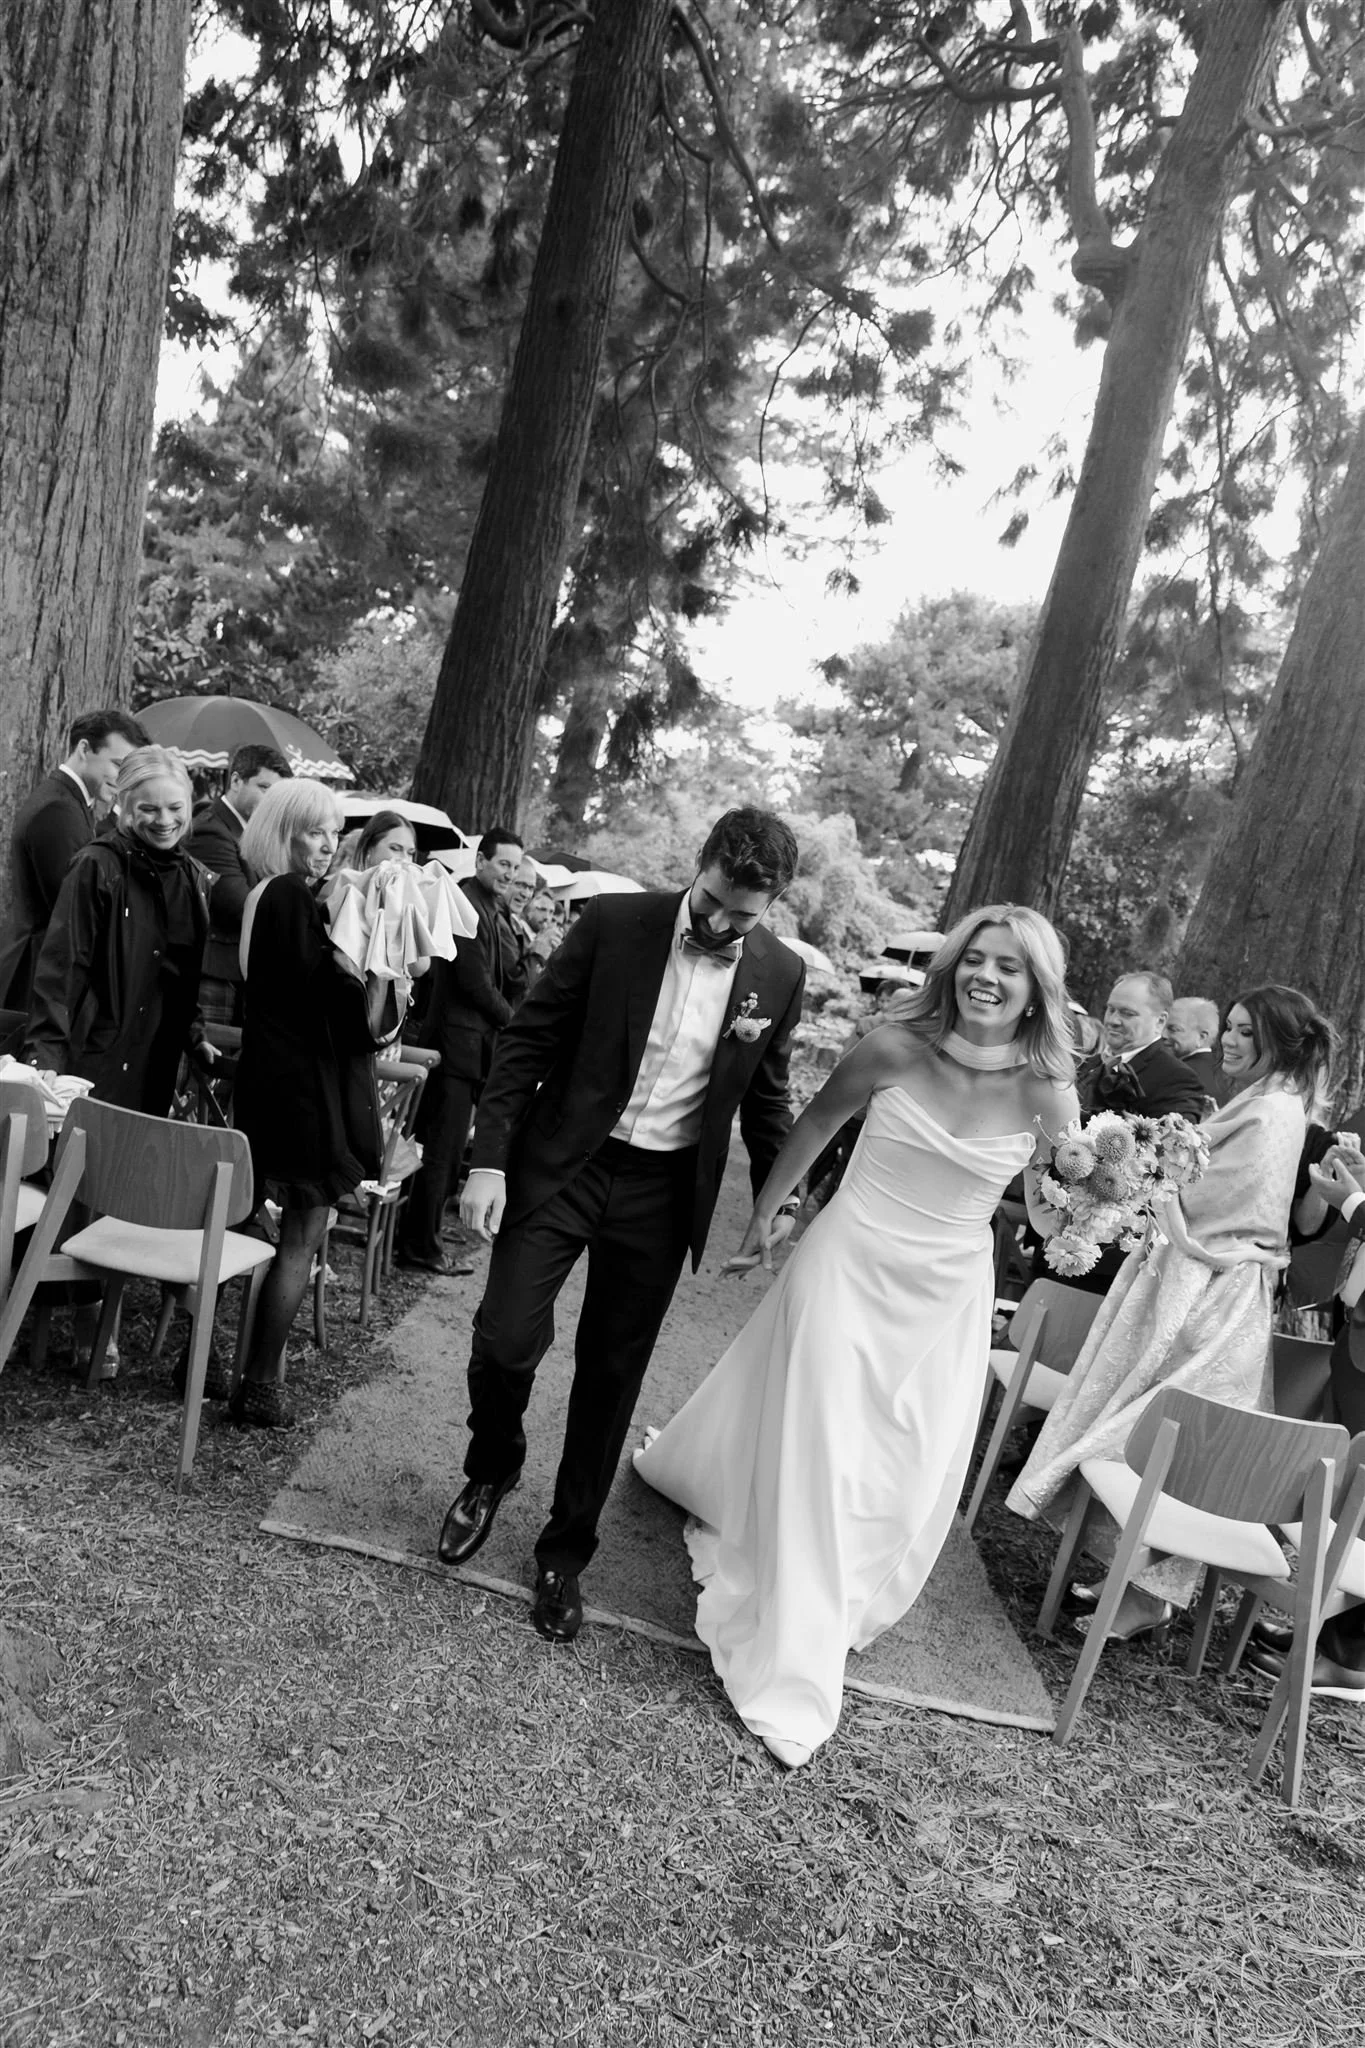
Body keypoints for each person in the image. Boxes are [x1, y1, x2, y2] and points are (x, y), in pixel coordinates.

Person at [633, 906, 1077, 1767]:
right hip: (846, 1262)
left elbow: (1049, 1212)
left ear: (1035, 990)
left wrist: (1093, 1200)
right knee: (824, 1448)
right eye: (974, 959)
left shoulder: (1049, 1093)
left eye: (1008, 967)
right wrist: (765, 1214)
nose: (985, 977)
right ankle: (794, 1661)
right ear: (951, 968)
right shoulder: (892, 1048)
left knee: (901, 1461)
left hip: (945, 1292)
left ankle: (835, 1581)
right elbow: (814, 1126)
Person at [437, 807, 805, 1649]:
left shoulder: (780, 975)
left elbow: (768, 1100)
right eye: (711, 901)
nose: (720, 925)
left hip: (661, 1193)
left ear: (771, 905)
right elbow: (526, 1043)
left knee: (609, 1379)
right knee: (503, 1339)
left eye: (742, 916)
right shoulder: (612, 924)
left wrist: (778, 1201)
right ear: (699, 866)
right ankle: (491, 1468)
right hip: (564, 1163)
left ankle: (564, 1553)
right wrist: (488, 1162)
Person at [1008, 984, 1336, 1643]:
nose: (1230, 1041)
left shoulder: (1274, 1111)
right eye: (1230, 1027)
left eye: (1245, 1031)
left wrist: (1139, 1173)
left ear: (1278, 1042)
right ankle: (1128, 1573)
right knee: (1150, 1420)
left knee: (1178, 1434)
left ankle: (1149, 1593)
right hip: (1192, 1276)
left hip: (1213, 1292)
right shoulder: (1261, 1099)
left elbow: (1232, 1203)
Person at [229, 780, 385, 1428]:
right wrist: (368, 965)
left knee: (250, 1227)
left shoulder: (265, 894)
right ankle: (260, 1382)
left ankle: (215, 1363)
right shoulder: (290, 894)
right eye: (314, 831)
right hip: (301, 1091)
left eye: (333, 833)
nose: (327, 845)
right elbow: (338, 1008)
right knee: (300, 1237)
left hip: (268, 1080)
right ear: (282, 832)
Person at [26, 746, 216, 1115]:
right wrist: (44, 1053)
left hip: (158, 1061)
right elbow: (62, 965)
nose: (164, 820)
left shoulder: (194, 877)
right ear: (124, 803)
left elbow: (180, 971)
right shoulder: (96, 866)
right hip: (94, 1058)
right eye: (149, 808)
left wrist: (195, 1034)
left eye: (175, 808)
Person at [1243, 1137, 1365, 1704]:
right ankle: (1327, 1629)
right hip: (1357, 1332)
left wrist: (1354, 1202)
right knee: (1350, 1492)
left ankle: (1350, 1657)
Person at [395, 827, 524, 1275]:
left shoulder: (490, 905)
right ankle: (420, 1248)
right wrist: (517, 1024)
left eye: (515, 866)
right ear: (481, 861)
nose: (510, 873)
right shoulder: (466, 901)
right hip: (453, 1047)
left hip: (470, 1051)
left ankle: (423, 1234)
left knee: (446, 1156)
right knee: (440, 1152)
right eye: (503, 863)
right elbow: (474, 984)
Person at [0, 708, 148, 1011]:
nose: (123, 780)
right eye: (117, 764)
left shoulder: (66, 801)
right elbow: (73, 907)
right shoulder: (59, 809)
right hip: (34, 979)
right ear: (84, 749)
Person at [186, 745, 291, 1026]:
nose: (270, 800)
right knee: (211, 1052)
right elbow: (239, 906)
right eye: (264, 787)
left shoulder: (251, 832)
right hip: (216, 975)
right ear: (235, 780)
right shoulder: (211, 830)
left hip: (240, 974)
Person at [1078, 971, 1207, 1120]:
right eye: (1111, 1009)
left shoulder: (1176, 1079)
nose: (1113, 1020)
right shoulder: (1087, 1063)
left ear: (1160, 1021)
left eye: (1127, 1013)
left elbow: (1174, 1132)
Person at [1165, 995, 1222, 1102]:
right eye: (1161, 1026)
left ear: (1201, 1037)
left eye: (1173, 1029)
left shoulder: (1179, 1074)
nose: (1163, 1035)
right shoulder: (1226, 1074)